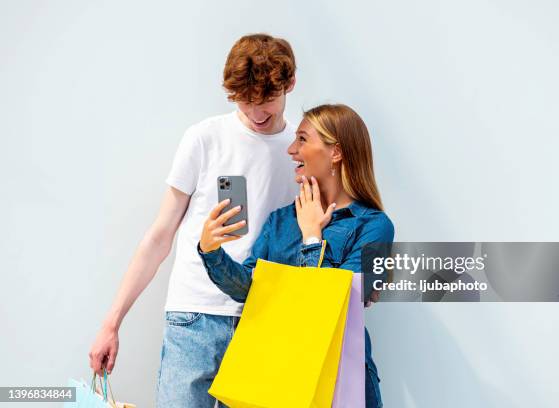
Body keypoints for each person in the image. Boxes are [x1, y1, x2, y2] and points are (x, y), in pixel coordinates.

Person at [88, 33, 299, 408]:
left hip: (267, 319)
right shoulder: (205, 138)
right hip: (195, 317)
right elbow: (160, 235)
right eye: (245, 102)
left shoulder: (302, 147)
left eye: (266, 100)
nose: (256, 113)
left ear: (290, 84)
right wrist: (112, 322)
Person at [198, 103, 394, 408]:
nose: (291, 149)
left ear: (336, 153)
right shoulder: (280, 220)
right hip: (272, 375)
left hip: (338, 384)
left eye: (302, 139)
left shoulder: (375, 227)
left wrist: (312, 237)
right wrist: (211, 252)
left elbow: (339, 304)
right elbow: (249, 291)